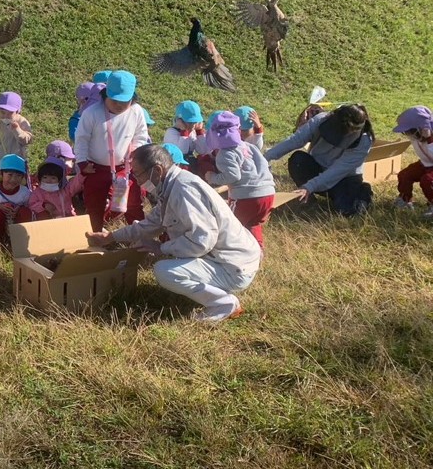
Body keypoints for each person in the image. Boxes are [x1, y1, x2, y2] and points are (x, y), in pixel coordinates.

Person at [88, 145, 261, 322]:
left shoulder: (184, 190)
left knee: (165, 271)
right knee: (172, 262)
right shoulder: (171, 187)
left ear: (157, 170)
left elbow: (202, 241)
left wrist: (161, 248)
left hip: (233, 266)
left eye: (138, 174)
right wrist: (111, 237)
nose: (137, 181)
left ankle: (224, 304)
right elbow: (150, 224)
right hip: (229, 260)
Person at [264, 104, 375, 217]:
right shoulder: (321, 119)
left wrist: (309, 187)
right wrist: (265, 158)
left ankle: (361, 192)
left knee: (348, 211)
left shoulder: (364, 141)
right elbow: (295, 140)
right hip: (317, 167)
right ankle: (308, 201)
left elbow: (337, 171)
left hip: (343, 179)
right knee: (298, 160)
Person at [73, 70, 150, 231]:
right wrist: (81, 162)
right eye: (114, 100)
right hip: (95, 168)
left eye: (124, 101)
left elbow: (141, 135)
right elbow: (81, 138)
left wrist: (135, 153)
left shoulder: (136, 111)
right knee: (95, 205)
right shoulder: (92, 113)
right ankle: (95, 237)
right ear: (105, 94)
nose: (119, 105)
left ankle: (140, 236)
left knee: (133, 202)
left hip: (125, 168)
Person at [203, 112, 276, 249]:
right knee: (253, 224)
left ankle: (232, 254)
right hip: (268, 194)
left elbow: (233, 176)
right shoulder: (248, 146)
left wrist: (212, 177)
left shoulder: (225, 154)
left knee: (231, 226)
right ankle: (258, 250)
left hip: (247, 197)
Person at [0, 154, 32, 241]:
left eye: (18, 176)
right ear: (0, 174)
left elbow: (30, 208)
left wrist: (19, 209)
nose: (13, 179)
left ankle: (20, 238)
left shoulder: (25, 192)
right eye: (10, 175)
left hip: (16, 222)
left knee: (25, 212)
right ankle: (0, 238)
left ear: (23, 177)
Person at [393, 106, 433, 216]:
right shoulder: (416, 136)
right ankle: (405, 199)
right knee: (405, 174)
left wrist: (429, 140)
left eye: (409, 131)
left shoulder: (429, 136)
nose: (407, 134)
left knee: (428, 180)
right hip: (426, 163)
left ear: (422, 129)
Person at [0, 92, 34, 171]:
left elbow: (28, 140)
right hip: (1, 164)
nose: (5, 116)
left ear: (17, 112)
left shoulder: (22, 122)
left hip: (18, 163)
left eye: (10, 113)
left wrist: (18, 131)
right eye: (2, 112)